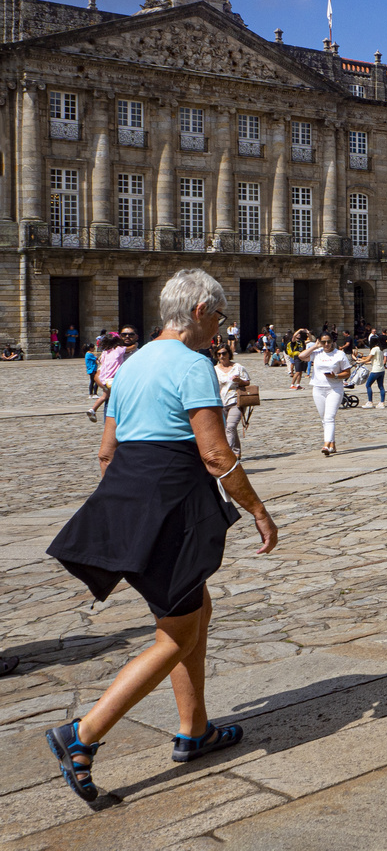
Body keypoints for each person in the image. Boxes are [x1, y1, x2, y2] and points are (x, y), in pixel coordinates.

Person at [44, 269, 278, 802]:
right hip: (172, 503)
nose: (219, 331)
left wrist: (126, 508)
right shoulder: (192, 365)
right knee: (176, 634)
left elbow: (107, 452)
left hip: (127, 497)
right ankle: (81, 735)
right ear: (199, 312)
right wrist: (259, 511)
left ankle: (194, 730)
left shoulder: (131, 364)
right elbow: (216, 453)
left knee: (194, 609)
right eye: (218, 319)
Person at [300, 331, 352, 454]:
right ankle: (332, 445)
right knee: (324, 418)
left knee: (329, 417)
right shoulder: (317, 353)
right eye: (324, 342)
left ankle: (326, 444)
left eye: (329, 341)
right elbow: (302, 356)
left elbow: (347, 372)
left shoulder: (339, 354)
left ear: (333, 341)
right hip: (318, 388)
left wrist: (336, 376)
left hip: (334, 389)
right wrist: (314, 346)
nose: (327, 344)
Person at [213, 345, 250, 457]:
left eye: (224, 353)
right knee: (227, 428)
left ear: (229, 354)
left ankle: (227, 454)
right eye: (219, 354)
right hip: (220, 402)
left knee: (231, 426)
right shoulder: (214, 370)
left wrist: (239, 381)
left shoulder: (237, 367)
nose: (222, 356)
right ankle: (236, 451)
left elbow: (247, 382)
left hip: (235, 400)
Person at [87, 332, 130, 422]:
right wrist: (136, 344)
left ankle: (93, 409)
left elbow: (100, 362)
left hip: (104, 379)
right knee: (112, 397)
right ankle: (96, 411)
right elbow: (131, 348)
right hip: (113, 379)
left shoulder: (105, 352)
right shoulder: (118, 349)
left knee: (104, 396)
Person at [362, 331, 387, 408]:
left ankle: (370, 402)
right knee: (381, 386)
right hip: (381, 369)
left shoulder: (374, 349)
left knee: (368, 385)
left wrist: (361, 361)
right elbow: (375, 360)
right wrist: (367, 362)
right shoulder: (380, 349)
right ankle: (382, 402)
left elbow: (368, 358)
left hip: (375, 370)